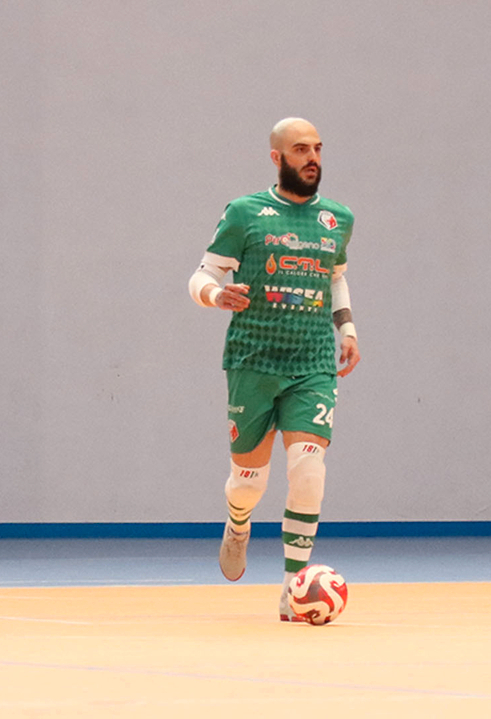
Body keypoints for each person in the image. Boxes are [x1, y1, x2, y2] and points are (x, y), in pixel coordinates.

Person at [188, 117, 360, 621]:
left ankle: (292, 589)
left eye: (318, 149)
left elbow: (335, 278)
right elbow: (202, 274)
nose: (313, 158)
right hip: (254, 359)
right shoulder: (246, 213)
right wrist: (217, 295)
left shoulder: (337, 218)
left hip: (312, 361)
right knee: (249, 482)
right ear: (277, 157)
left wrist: (348, 329)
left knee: (308, 469)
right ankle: (238, 523)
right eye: (301, 149)